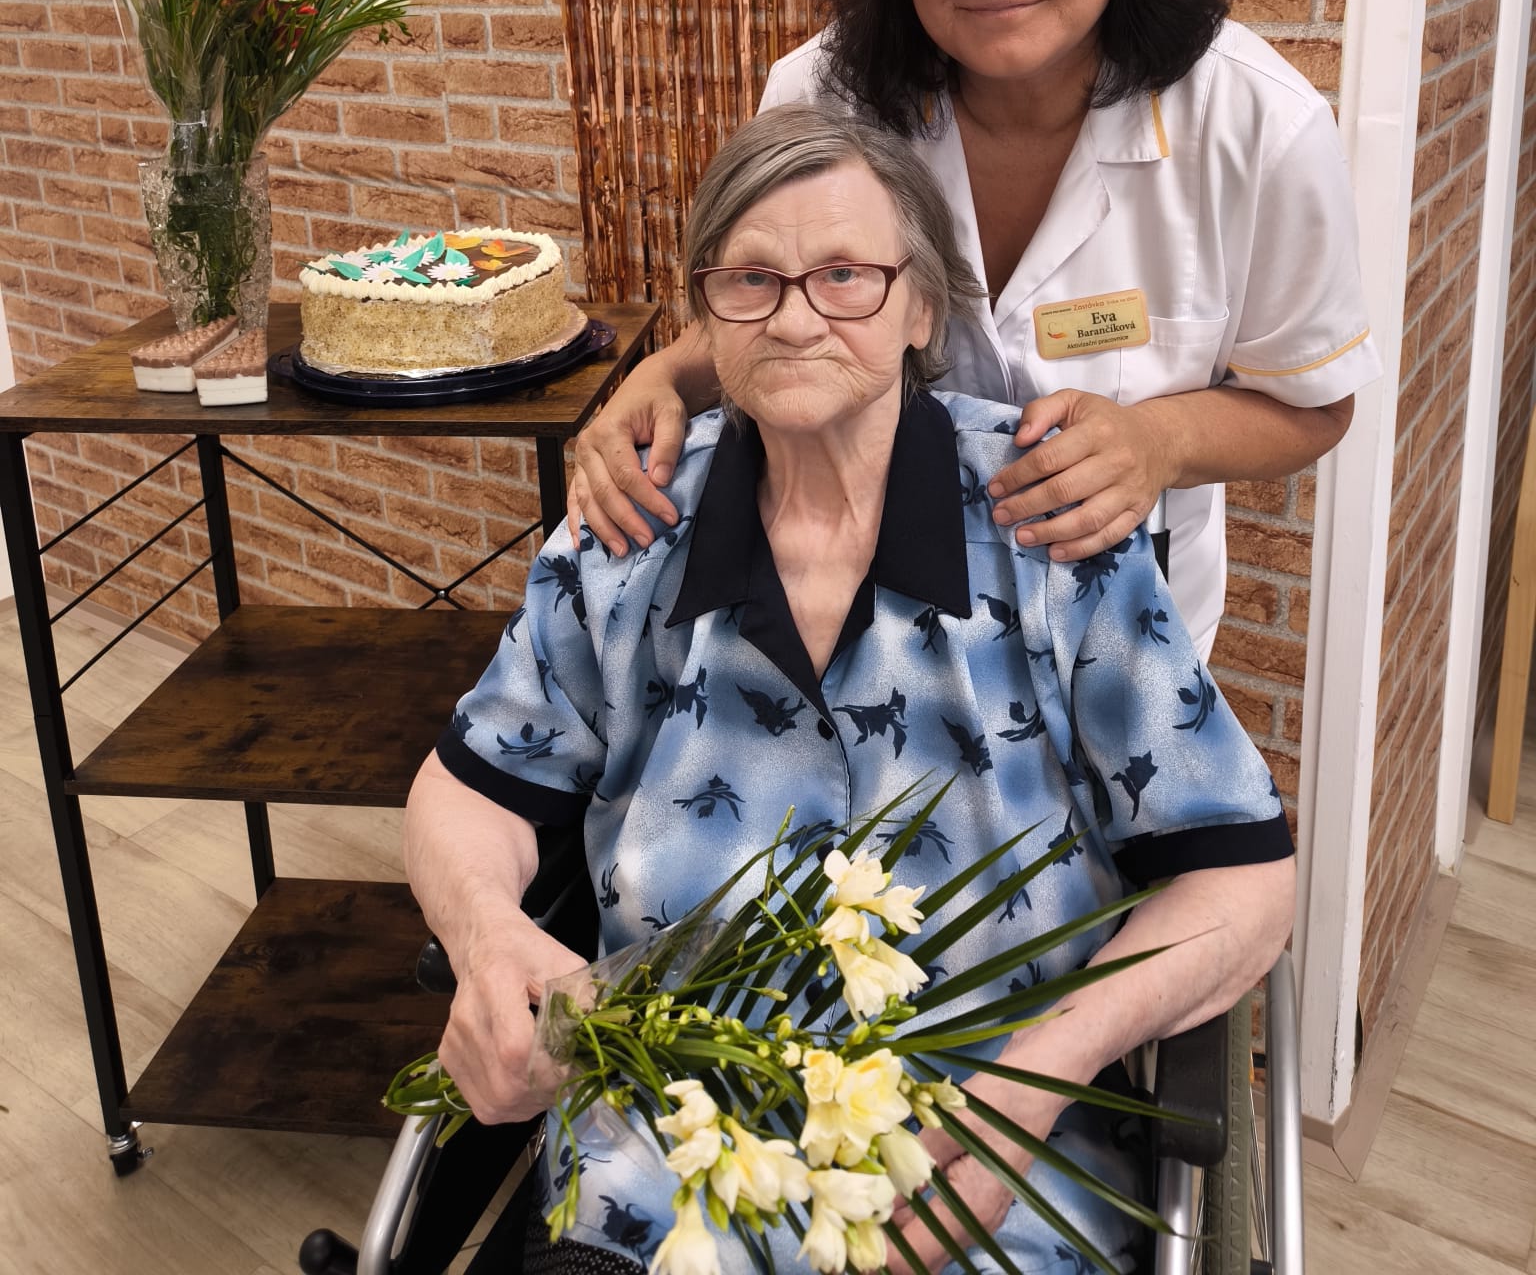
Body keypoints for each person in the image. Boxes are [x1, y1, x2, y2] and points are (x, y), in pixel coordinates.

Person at [406, 108, 1295, 1275]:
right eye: (751, 279)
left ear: (922, 306)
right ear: (707, 312)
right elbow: (469, 790)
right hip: (664, 1167)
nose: (792, 317)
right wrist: (489, 937)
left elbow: (1242, 877)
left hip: (986, 1159)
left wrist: (1045, 1069)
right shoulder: (631, 528)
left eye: (844, 275)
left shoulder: (1050, 523)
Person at [568, 0, 1380, 660]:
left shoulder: (1257, 124)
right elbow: (790, 307)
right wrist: (664, 377)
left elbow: (1314, 404)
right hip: (871, 619)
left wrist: (1158, 441)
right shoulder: (821, 96)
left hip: (1121, 635)